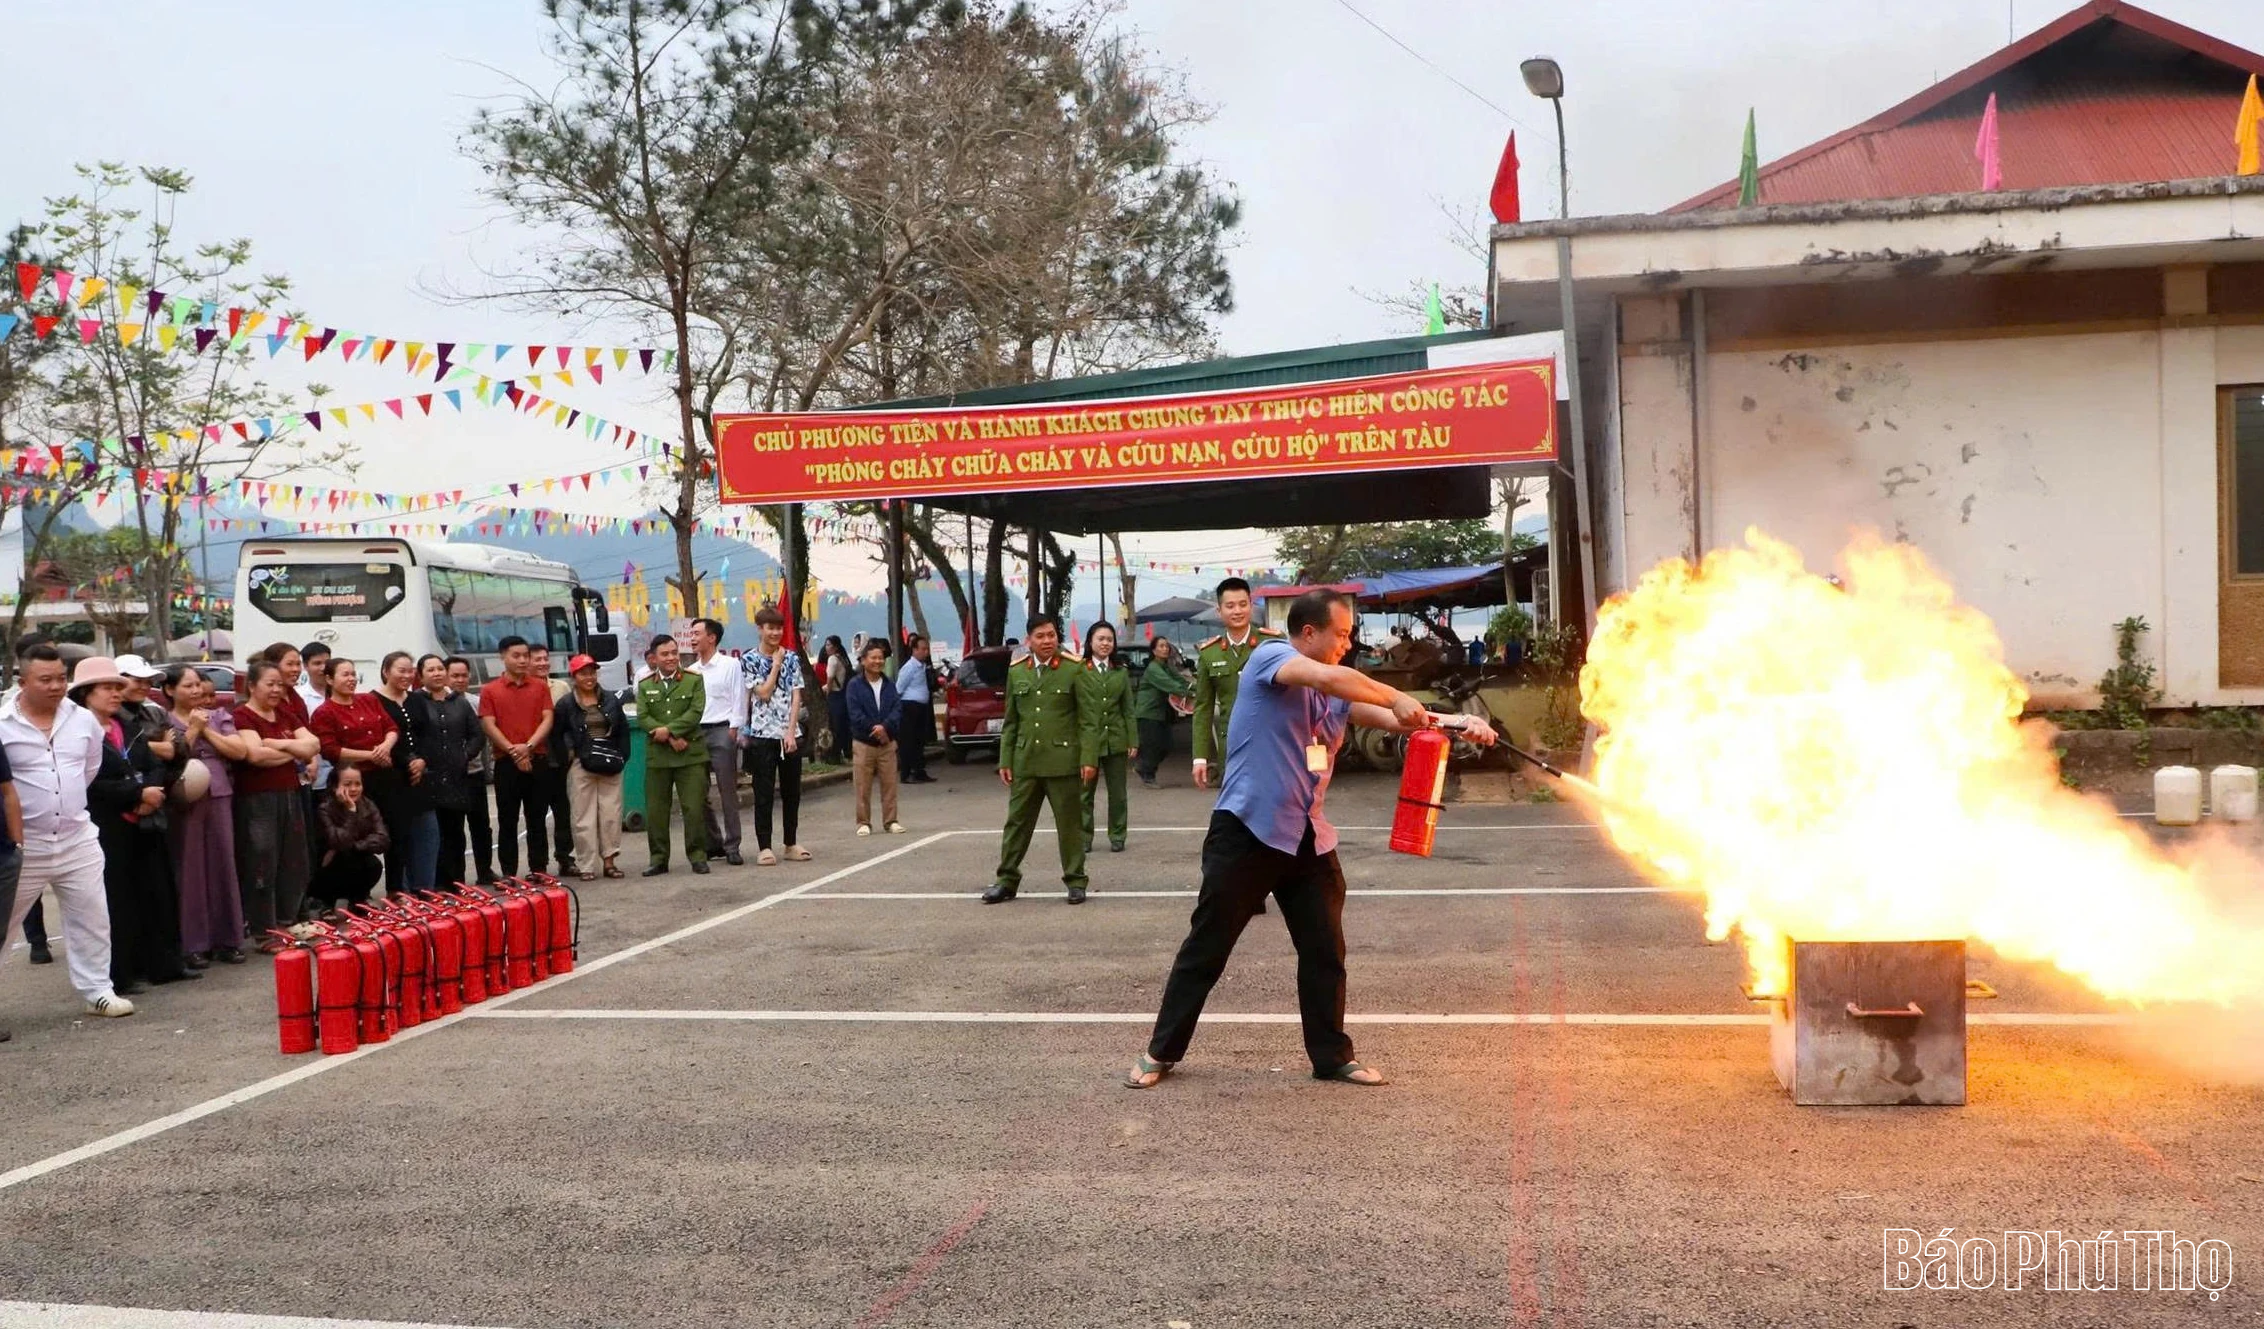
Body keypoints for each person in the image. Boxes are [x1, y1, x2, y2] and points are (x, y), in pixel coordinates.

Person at [1127, 591, 1498, 1090]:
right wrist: (1394, 695)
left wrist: (1456, 723)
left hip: (1308, 837)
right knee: (1208, 947)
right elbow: (1334, 678)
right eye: (1341, 634)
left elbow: (1394, 718)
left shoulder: (1339, 690)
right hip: (1247, 831)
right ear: (1307, 633)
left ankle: (1332, 1056)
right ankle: (1160, 1052)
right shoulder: (1270, 658)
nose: (1348, 644)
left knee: (1325, 950)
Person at [0, 646, 128, 1018]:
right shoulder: (3, 721)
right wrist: (17, 840)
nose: (56, 686)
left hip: (77, 836)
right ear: (22, 682)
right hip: (25, 843)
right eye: (45, 680)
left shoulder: (82, 719)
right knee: (4, 925)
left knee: (91, 916)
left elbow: (89, 768)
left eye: (61, 678)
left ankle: (97, 991)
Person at [78, 656, 195, 991]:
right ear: (86, 692)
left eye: (117, 686)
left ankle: (165, 964)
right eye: (107, 687)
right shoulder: (79, 730)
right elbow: (90, 781)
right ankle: (120, 973)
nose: (116, 693)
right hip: (107, 821)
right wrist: (137, 793)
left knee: (157, 890)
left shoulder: (125, 726)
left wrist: (151, 791)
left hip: (145, 818)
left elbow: (152, 760)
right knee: (118, 898)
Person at [980, 615, 1093, 905]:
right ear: (1029, 640)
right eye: (1040, 636)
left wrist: (1088, 758)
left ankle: (1076, 880)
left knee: (1070, 825)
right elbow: (1011, 721)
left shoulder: (1074, 669)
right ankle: (1006, 880)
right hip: (1026, 761)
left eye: (1051, 635)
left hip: (1063, 761)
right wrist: (1005, 760)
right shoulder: (1018, 671)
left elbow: (1088, 720)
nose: (1047, 641)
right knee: (1016, 823)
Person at [163, 662, 253, 967]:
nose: (196, 690)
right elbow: (174, 753)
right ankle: (194, 943)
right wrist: (192, 730)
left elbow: (239, 751)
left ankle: (228, 939)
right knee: (190, 868)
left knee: (223, 863)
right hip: (183, 794)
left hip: (218, 790)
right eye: (187, 686)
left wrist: (207, 731)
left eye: (197, 685)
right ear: (170, 690)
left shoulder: (218, 715)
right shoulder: (163, 719)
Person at [230, 660, 316, 945]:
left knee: (294, 860)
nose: (277, 689)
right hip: (257, 798)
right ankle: (263, 931)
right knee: (262, 861)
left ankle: (286, 921)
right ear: (251, 686)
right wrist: (295, 751)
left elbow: (313, 746)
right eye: (270, 683)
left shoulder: (286, 715)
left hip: (290, 793)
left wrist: (277, 745)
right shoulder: (242, 716)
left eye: (280, 684)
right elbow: (254, 755)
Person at [307, 659, 401, 897]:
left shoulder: (368, 700)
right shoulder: (324, 712)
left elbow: (391, 728)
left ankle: (396, 889)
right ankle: (346, 896)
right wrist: (371, 755)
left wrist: (385, 748)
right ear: (329, 679)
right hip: (351, 781)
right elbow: (331, 750)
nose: (351, 679)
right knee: (350, 836)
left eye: (353, 674)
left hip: (383, 775)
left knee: (390, 831)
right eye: (345, 675)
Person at [477, 636, 561, 878]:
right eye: (517, 655)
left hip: (538, 758)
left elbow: (548, 718)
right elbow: (488, 725)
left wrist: (529, 746)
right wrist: (514, 750)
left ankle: (539, 868)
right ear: (502, 657)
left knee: (536, 818)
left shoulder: (539, 687)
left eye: (525, 655)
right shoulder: (490, 690)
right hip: (506, 762)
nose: (523, 660)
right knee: (508, 820)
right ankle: (509, 873)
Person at [1191, 577, 1282, 791]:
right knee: (1235, 810)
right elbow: (1203, 708)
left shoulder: (1273, 643)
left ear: (1251, 606)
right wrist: (1200, 758)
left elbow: (1293, 695)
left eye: (1243, 604)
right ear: (1219, 611)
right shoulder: (1209, 653)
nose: (1237, 611)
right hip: (1231, 748)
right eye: (1230, 606)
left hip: (1270, 743)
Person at [739, 607, 810, 867]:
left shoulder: (792, 657)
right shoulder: (748, 660)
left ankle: (790, 842)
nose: (775, 633)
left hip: (788, 734)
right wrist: (776, 665)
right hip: (761, 734)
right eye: (770, 628)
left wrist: (791, 731)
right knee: (764, 792)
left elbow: (796, 695)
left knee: (792, 792)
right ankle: (764, 846)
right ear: (760, 629)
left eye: (778, 628)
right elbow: (764, 692)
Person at [407, 654, 483, 890]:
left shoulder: (459, 701)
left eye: (440, 669)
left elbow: (477, 735)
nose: (437, 673)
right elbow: (409, 736)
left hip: (456, 777)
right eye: (431, 670)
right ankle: (431, 883)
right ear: (420, 675)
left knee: (455, 833)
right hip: (426, 777)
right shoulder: (414, 701)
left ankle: (456, 881)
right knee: (430, 834)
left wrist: (464, 755)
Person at [636, 635, 709, 876]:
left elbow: (695, 711)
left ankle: (698, 856)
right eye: (665, 654)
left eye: (674, 653)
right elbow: (644, 717)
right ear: (653, 658)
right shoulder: (646, 685)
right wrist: (668, 737)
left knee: (693, 808)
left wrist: (671, 730)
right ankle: (658, 859)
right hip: (659, 756)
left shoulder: (693, 681)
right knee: (656, 811)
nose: (671, 658)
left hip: (690, 753)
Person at [554, 653, 628, 881]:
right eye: (583, 673)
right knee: (582, 817)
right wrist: (568, 756)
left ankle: (609, 861)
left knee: (610, 814)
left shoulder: (610, 700)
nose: (589, 677)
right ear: (574, 676)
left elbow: (622, 730)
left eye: (592, 672)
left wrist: (622, 757)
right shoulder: (566, 704)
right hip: (581, 764)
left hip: (610, 762)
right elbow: (557, 734)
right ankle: (586, 865)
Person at [371, 651, 439, 893]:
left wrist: (421, 760)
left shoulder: (418, 699)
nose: (407, 676)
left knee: (428, 834)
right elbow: (379, 738)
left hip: (420, 776)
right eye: (401, 670)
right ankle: (399, 891)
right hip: (391, 777)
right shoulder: (373, 700)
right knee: (398, 837)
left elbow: (429, 735)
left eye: (410, 670)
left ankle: (425, 888)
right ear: (386, 671)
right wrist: (405, 761)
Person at [686, 617, 747, 867]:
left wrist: (735, 727)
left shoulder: (730, 665)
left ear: (711, 637)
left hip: (723, 729)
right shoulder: (691, 671)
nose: (692, 638)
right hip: (697, 733)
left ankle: (733, 844)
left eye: (697, 633)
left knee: (727, 791)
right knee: (697, 792)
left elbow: (738, 696)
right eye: (691, 634)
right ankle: (714, 841)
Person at [1077, 623, 1136, 854]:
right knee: (1084, 792)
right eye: (1100, 639)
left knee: (1118, 793)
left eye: (1109, 639)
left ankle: (1118, 835)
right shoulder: (1079, 670)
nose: (1105, 644)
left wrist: (1133, 740)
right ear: (1090, 641)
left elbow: (1128, 709)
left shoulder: (1120, 671)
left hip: (1116, 739)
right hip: (1088, 741)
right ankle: (1083, 837)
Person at [446, 656, 499, 884]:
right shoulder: (436, 702)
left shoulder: (476, 702)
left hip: (474, 772)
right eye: (455, 676)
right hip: (448, 777)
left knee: (481, 826)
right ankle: (455, 877)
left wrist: (468, 756)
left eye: (463, 675)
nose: (460, 680)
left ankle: (485, 870)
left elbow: (482, 736)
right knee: (453, 829)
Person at [526, 644, 577, 875]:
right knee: (535, 813)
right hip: (533, 757)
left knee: (563, 812)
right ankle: (539, 865)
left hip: (559, 756)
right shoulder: (523, 689)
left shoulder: (561, 687)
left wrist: (570, 748)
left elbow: (570, 723)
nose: (543, 663)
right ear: (527, 662)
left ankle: (566, 858)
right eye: (537, 659)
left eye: (545, 659)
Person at [846, 640, 903, 837]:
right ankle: (863, 822)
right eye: (873, 658)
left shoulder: (889, 685)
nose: (877, 661)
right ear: (863, 660)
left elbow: (897, 709)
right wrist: (873, 728)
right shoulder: (854, 685)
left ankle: (891, 821)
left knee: (890, 784)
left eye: (881, 658)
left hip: (887, 742)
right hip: (863, 742)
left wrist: (885, 727)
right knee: (862, 785)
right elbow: (855, 713)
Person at [314, 766, 388, 908]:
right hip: (330, 866)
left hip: (356, 856)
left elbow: (382, 839)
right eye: (347, 784)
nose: (353, 789)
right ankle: (326, 903)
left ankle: (358, 902)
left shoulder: (368, 804)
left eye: (357, 784)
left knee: (372, 864)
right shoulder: (325, 808)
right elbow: (338, 842)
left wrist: (355, 846)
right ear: (335, 786)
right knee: (343, 859)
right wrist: (351, 812)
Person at [1133, 636, 1192, 789]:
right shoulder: (1154, 669)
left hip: (1160, 713)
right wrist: (1189, 692)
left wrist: (1195, 687)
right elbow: (1172, 685)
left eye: (1166, 646)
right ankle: (1147, 774)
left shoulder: (1165, 666)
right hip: (1148, 713)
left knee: (1167, 745)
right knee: (1153, 746)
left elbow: (1180, 680)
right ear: (1153, 650)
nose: (1165, 649)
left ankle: (1144, 768)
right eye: (1161, 646)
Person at [894, 635, 936, 784]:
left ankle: (919, 770)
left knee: (919, 741)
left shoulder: (923, 666)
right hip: (909, 707)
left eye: (927, 649)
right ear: (914, 650)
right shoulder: (909, 667)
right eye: (923, 649)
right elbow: (898, 688)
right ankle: (906, 773)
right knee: (908, 741)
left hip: (921, 707)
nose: (926, 652)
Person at [821, 636, 851, 764]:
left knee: (836, 726)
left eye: (829, 645)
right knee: (843, 726)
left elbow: (830, 678)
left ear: (835, 646)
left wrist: (827, 691)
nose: (827, 648)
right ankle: (847, 751)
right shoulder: (843, 659)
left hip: (835, 695)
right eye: (826, 645)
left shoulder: (833, 659)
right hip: (843, 694)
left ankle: (837, 753)